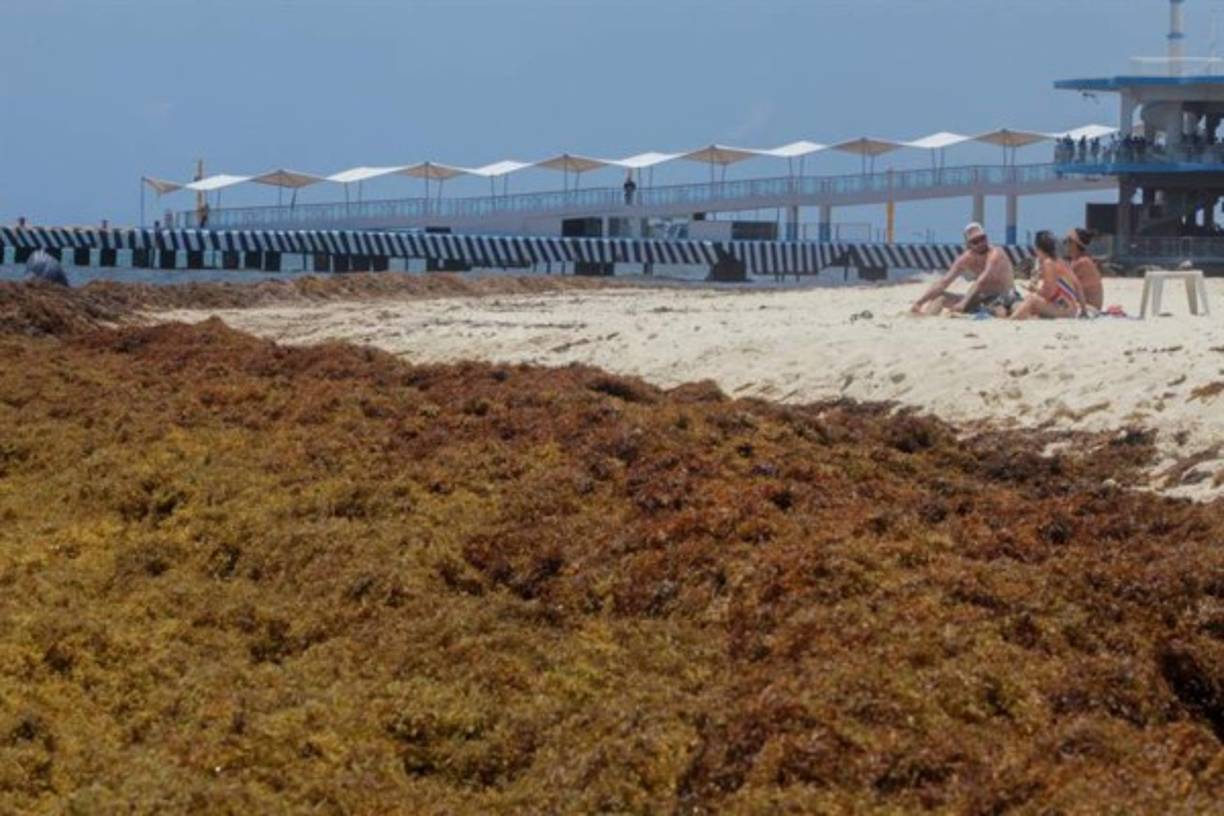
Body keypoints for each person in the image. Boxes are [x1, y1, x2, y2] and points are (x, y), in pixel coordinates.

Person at [911, 222, 1019, 315]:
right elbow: (944, 282)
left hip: (1006, 296)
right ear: (968, 245)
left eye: (982, 238)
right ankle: (925, 319)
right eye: (975, 241)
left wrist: (963, 303)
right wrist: (919, 302)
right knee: (940, 298)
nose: (981, 243)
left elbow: (982, 280)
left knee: (1003, 311)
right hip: (981, 299)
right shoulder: (966, 258)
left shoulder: (995, 253)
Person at [1011, 230, 1084, 320]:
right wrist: (1084, 311)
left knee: (1031, 299)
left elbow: (1049, 292)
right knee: (1031, 302)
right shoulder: (1061, 261)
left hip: (1064, 308)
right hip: (1071, 307)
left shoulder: (1048, 263)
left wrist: (1035, 291)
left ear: (1038, 248)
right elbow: (1078, 286)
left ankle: (1011, 320)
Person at [1064, 227, 1104, 311]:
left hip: (1090, 308)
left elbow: (1064, 283)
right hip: (1084, 305)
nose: (1065, 244)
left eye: (1068, 241)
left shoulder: (1083, 262)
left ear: (1075, 243)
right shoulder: (1078, 260)